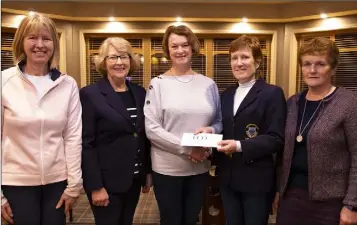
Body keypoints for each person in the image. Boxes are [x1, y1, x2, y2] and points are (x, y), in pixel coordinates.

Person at [1, 13, 82, 225]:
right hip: (15, 182)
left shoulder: (68, 84)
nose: (40, 45)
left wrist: (74, 184)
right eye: (32, 38)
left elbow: (72, 137)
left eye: (46, 39)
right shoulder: (4, 82)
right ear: (21, 42)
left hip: (57, 182)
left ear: (54, 44)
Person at [144, 25, 222, 225]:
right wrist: (189, 148)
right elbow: (152, 129)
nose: (180, 50)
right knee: (171, 220)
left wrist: (211, 130)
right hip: (168, 169)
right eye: (174, 46)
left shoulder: (208, 84)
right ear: (167, 50)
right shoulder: (158, 84)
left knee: (191, 220)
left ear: (192, 47)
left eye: (185, 45)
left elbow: (219, 121)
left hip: (199, 169)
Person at [274, 37, 357, 225]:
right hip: (291, 198)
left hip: (331, 203)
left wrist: (352, 205)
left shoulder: (349, 103)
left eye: (320, 64)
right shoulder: (293, 103)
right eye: (307, 64)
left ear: (333, 68)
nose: (312, 70)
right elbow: (284, 154)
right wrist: (280, 190)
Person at [215, 35, 286, 225]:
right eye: (234, 58)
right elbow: (223, 130)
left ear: (257, 61)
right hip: (228, 178)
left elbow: (276, 138)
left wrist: (239, 146)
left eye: (245, 57)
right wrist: (208, 134)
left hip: (256, 180)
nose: (239, 63)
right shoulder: (227, 95)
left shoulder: (272, 93)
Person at [80, 37, 152, 225]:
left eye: (124, 57)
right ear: (103, 62)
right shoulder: (90, 94)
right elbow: (86, 144)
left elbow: (143, 135)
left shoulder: (139, 92)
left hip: (134, 179)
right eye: (113, 57)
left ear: (131, 61)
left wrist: (147, 172)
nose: (119, 62)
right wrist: (95, 186)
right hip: (106, 182)